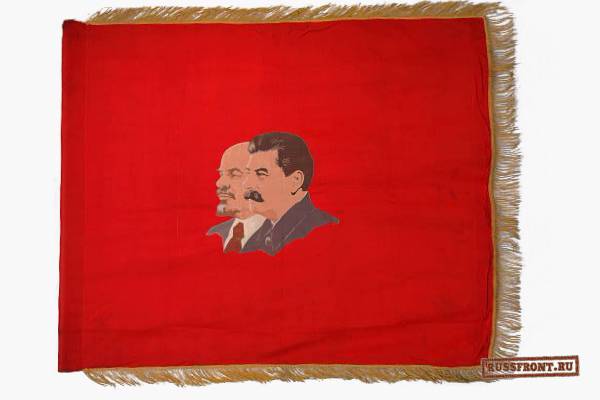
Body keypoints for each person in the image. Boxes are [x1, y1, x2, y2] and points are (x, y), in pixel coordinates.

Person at [242, 132, 338, 255]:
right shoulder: (257, 236)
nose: (246, 184)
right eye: (248, 173)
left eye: (261, 174)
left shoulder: (324, 231)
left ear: (295, 181)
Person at [207, 142, 265, 253]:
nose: (219, 183)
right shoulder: (214, 233)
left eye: (234, 174)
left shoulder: (281, 235)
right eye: (221, 174)